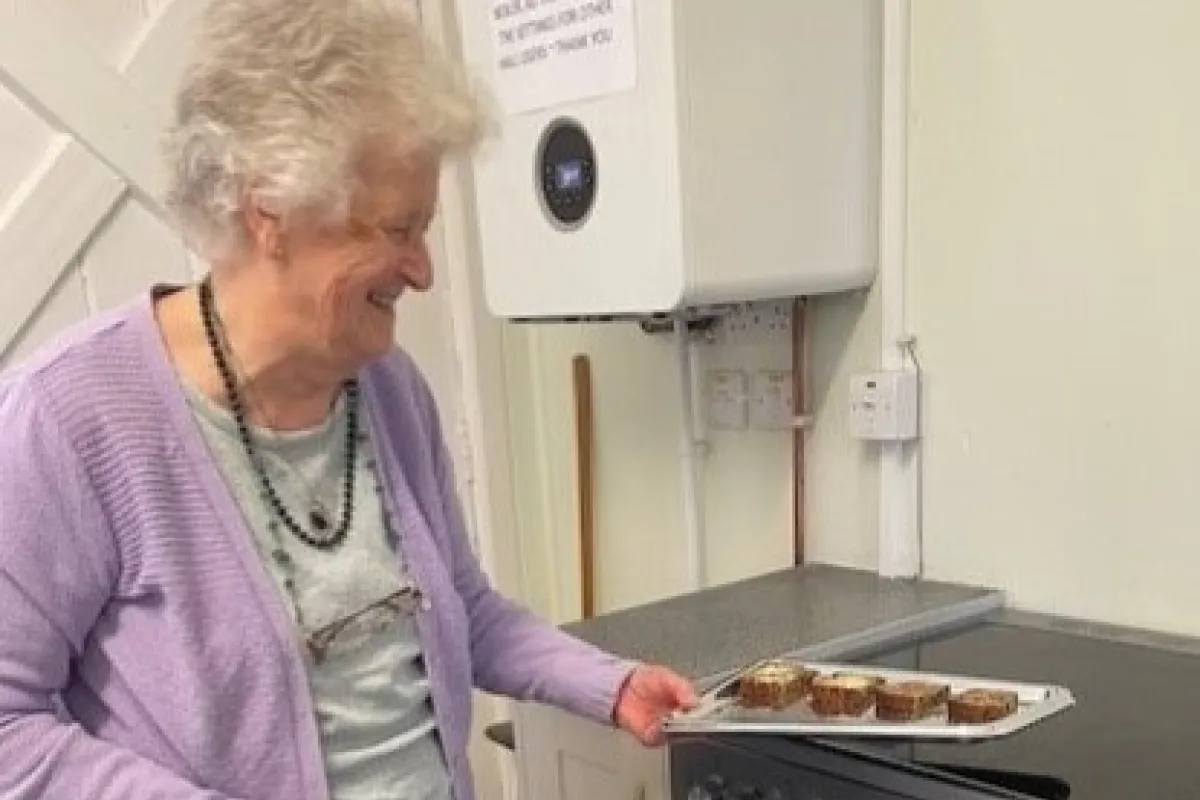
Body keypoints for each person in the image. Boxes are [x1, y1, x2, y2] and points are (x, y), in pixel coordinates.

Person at [0, 1, 697, 798]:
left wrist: (608, 684)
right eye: (398, 229)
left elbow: (461, 606)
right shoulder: (67, 423)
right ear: (271, 212)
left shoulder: (388, 388)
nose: (423, 270)